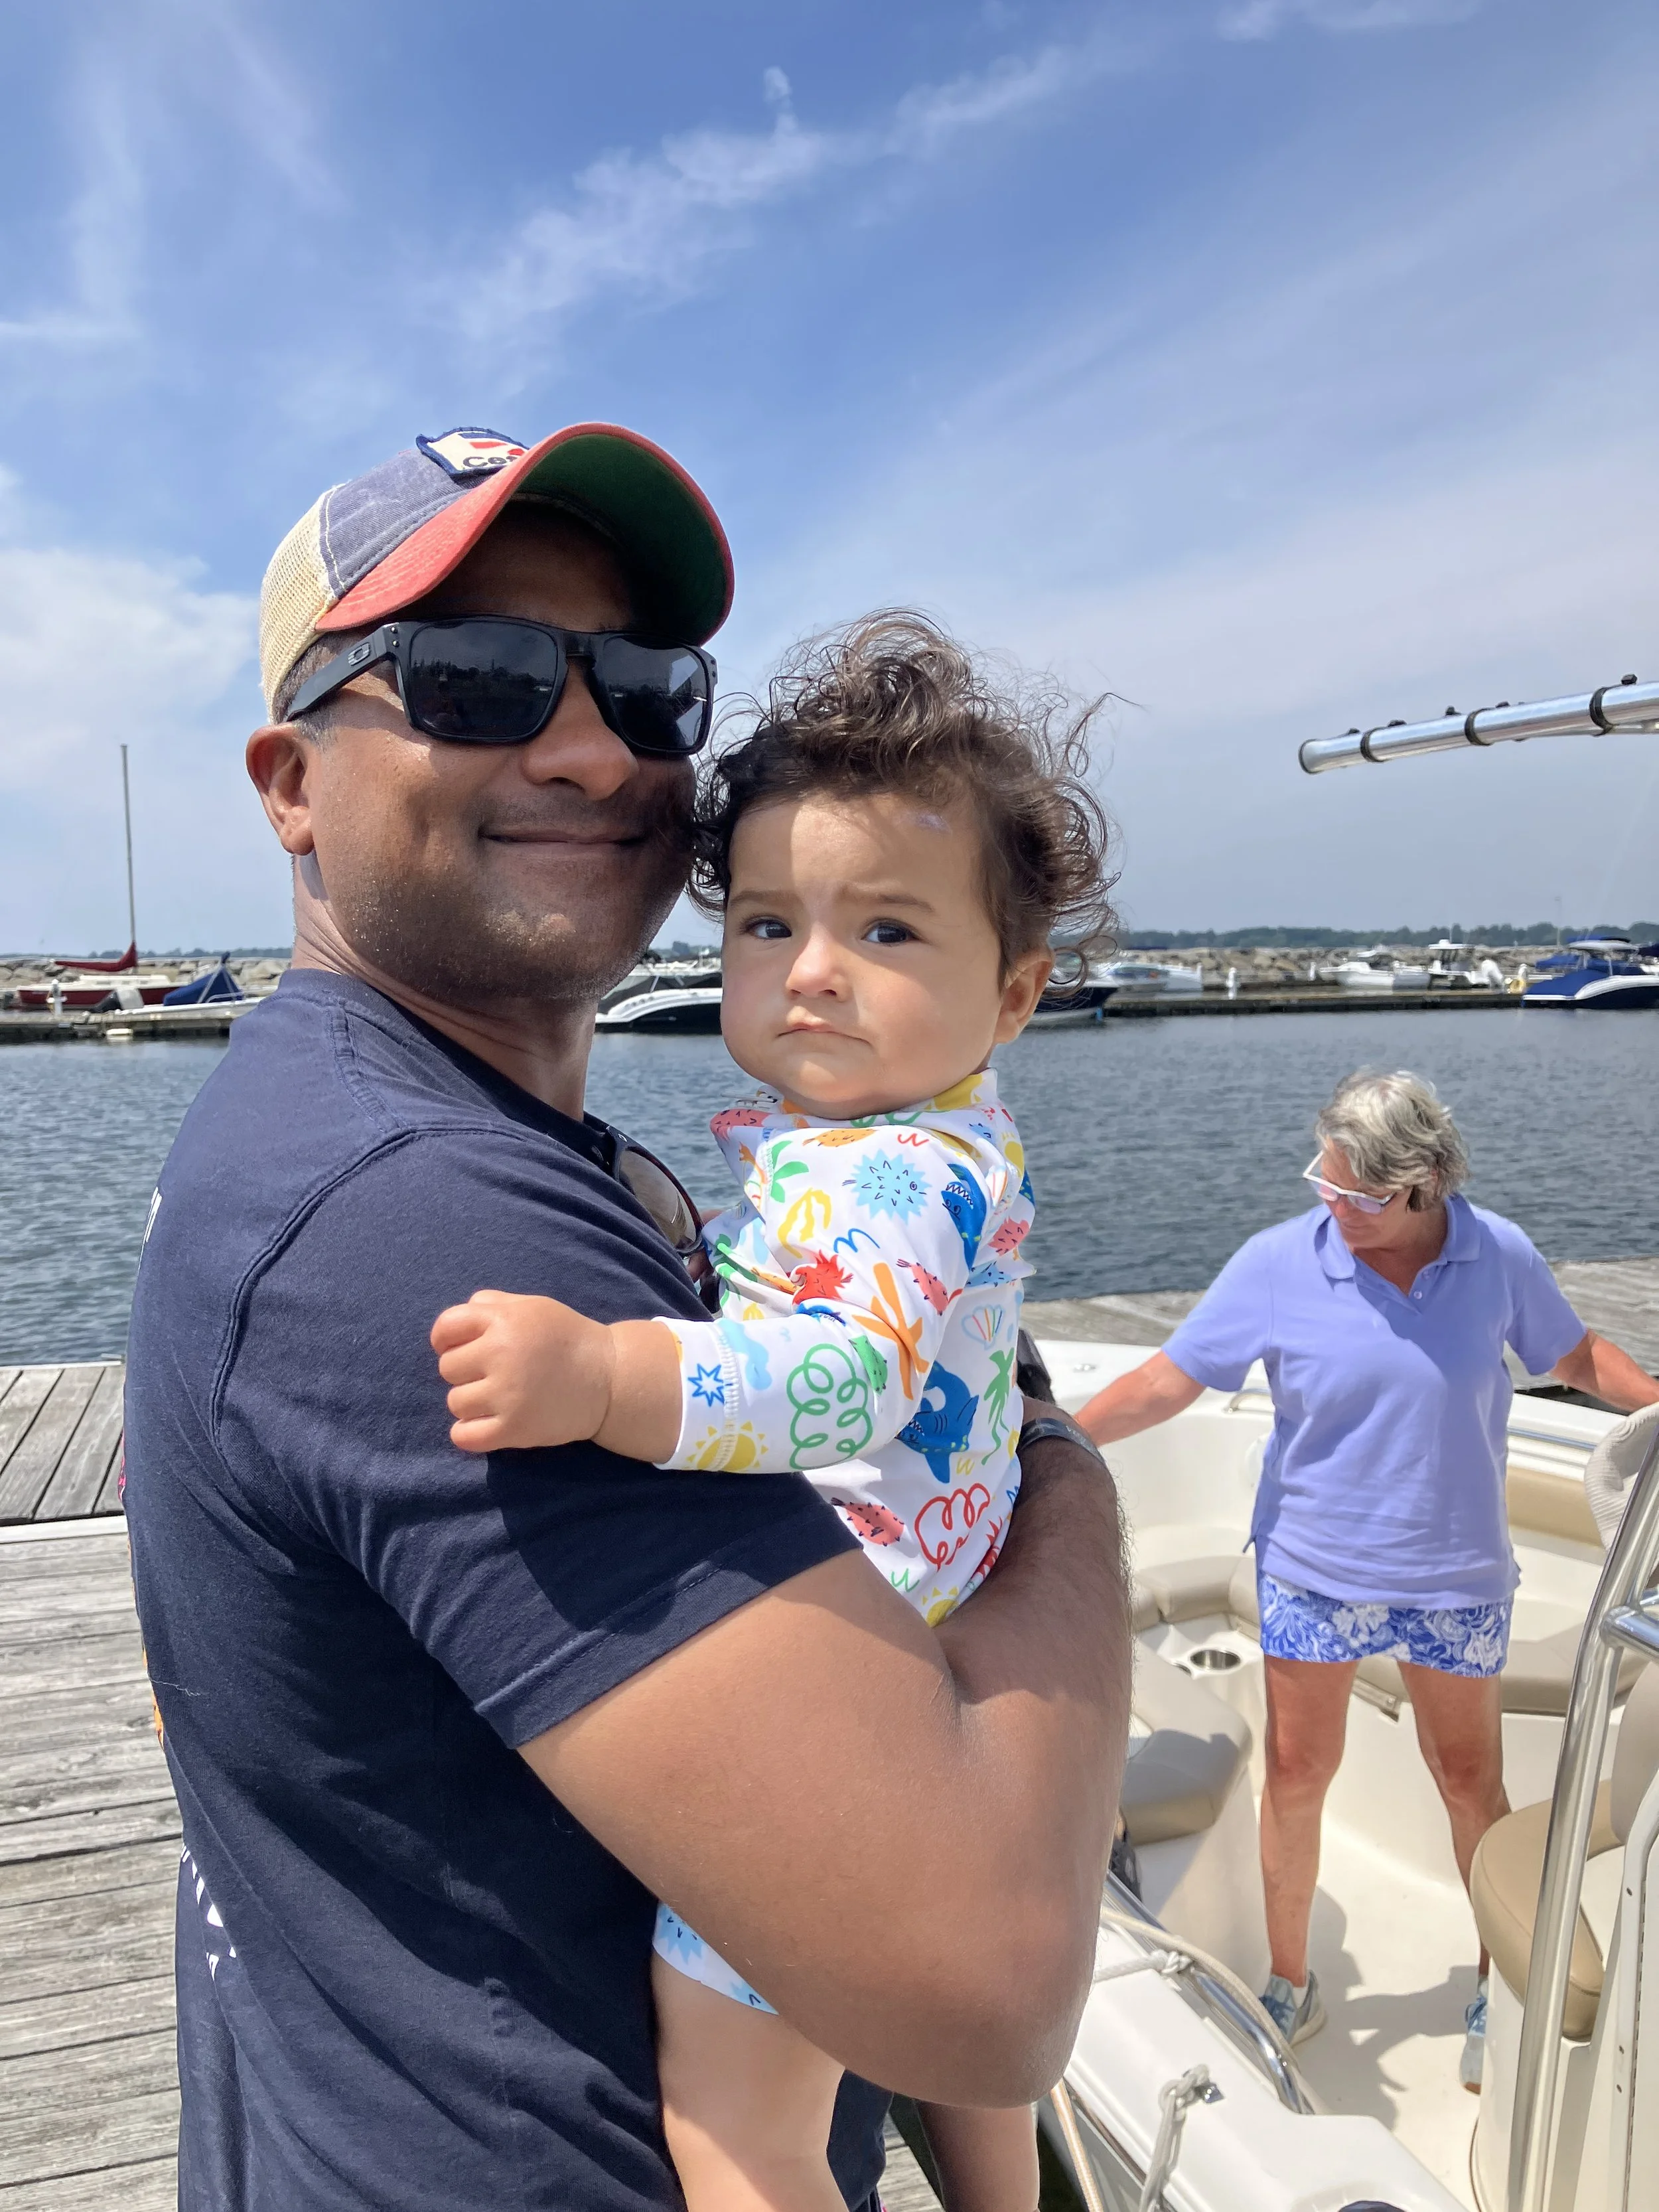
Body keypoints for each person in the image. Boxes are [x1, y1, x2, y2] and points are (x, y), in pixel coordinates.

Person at [123, 423, 1133, 2212]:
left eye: (648, 689)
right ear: (292, 781)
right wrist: (1059, 1470)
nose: (589, 746)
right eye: (479, 674)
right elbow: (983, 1976)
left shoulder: (444, 1138)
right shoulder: (410, 1213)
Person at [431, 613, 1114, 2212]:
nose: (809, 970)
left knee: (734, 2124)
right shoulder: (939, 1125)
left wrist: (605, 1377)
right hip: (941, 1578)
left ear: (1012, 993)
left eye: (884, 932)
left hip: (849, 1656)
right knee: (947, 2073)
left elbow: (833, 1383)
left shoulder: (884, 1171)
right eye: (764, 924)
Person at [1074, 1069, 1658, 2091]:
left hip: (1456, 1577)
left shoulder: (1497, 1253)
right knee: (1298, 1779)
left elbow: (1574, 1353)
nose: (1332, 1206)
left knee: (1469, 1782)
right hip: (1313, 1570)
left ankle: (1495, 1983)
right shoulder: (1277, 1263)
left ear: (1424, 1185)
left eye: (1358, 1195)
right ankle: (1291, 1983)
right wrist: (1057, 1437)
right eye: (1324, 1181)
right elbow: (1169, 1379)